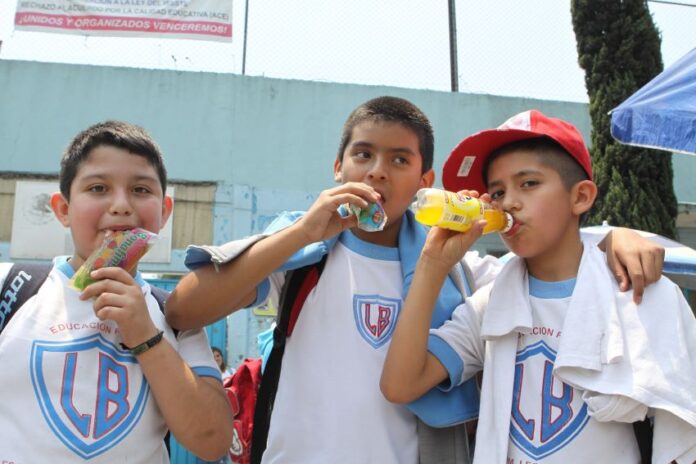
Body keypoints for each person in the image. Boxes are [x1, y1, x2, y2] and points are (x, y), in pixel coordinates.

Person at [166, 97, 664, 464]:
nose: (378, 172)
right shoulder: (301, 257)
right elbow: (185, 311)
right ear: (338, 167)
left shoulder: (463, 269)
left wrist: (614, 238)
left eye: (399, 160)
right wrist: (301, 231)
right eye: (363, 156)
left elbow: (548, 253)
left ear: (426, 183)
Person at [381, 110, 696, 463]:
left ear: (580, 197)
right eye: (496, 192)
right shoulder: (491, 304)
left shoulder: (636, 292)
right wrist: (432, 264)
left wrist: (616, 234)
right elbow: (400, 385)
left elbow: (679, 425)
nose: (509, 202)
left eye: (528, 183)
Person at [0, 121, 233, 463]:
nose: (121, 205)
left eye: (141, 190)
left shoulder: (178, 314)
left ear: (165, 211)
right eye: (97, 188)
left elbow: (212, 441)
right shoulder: (12, 288)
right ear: (63, 209)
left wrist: (145, 335)